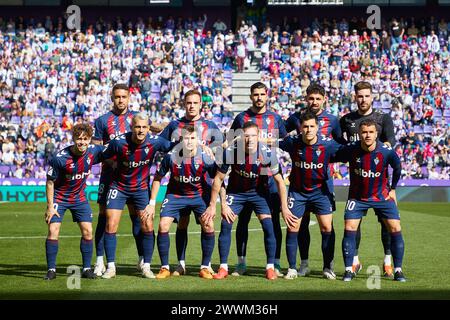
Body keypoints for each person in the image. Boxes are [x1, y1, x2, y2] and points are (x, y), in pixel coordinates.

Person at [204, 121, 291, 280]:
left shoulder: (267, 153)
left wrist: (284, 207)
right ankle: (224, 267)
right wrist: (216, 205)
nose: (250, 139)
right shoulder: (231, 152)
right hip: (237, 193)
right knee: (225, 223)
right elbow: (218, 179)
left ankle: (270, 267)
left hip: (259, 193)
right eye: (246, 136)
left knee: (268, 225)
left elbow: (280, 182)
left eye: (253, 136)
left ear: (258, 137)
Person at [100, 113, 175, 279]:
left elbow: (177, 145)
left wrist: (201, 145)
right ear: (131, 127)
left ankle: (146, 266)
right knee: (111, 224)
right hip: (118, 187)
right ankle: (111, 267)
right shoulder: (119, 142)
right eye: (137, 127)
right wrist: (111, 163)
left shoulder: (155, 142)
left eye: (144, 127)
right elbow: (101, 154)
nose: (141, 130)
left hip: (141, 189)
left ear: (149, 128)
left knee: (147, 226)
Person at [158, 89, 223, 277]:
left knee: (207, 224)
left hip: (200, 188)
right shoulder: (174, 125)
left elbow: (221, 146)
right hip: (177, 186)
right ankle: (180, 264)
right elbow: (162, 144)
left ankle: (206, 265)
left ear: (201, 104)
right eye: (189, 103)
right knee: (182, 224)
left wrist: (208, 149)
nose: (192, 106)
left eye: (195, 103)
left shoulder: (210, 125)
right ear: (184, 104)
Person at [333, 119, 406, 282]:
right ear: (359, 133)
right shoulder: (351, 149)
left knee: (395, 227)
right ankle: (348, 269)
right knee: (349, 226)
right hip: (358, 198)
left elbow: (398, 167)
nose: (367, 135)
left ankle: (398, 270)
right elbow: (332, 156)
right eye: (364, 132)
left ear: (376, 133)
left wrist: (393, 189)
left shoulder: (386, 151)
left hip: (382, 196)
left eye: (370, 132)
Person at [228, 82, 287, 277]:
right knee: (242, 221)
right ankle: (241, 263)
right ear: (251, 96)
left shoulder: (275, 118)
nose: (259, 97)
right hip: (244, 178)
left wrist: (264, 141)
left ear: (267, 95)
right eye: (256, 94)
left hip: (268, 176)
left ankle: (275, 264)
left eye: (262, 94)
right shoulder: (241, 118)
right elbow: (230, 142)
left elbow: (286, 142)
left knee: (272, 222)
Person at [284, 83, 343, 277]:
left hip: (323, 182)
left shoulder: (333, 121)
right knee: (299, 224)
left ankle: (328, 266)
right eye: (311, 98)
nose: (314, 102)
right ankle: (303, 263)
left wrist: (332, 164)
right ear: (306, 99)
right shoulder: (295, 118)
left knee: (327, 226)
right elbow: (279, 136)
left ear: (324, 99)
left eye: (318, 98)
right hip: (300, 182)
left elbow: (340, 146)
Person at [339, 81, 396, 277]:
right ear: (355, 97)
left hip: (380, 183)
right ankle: (354, 260)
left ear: (372, 97)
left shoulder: (383, 118)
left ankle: (388, 259)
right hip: (357, 183)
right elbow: (340, 145)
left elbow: (390, 144)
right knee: (354, 224)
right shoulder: (346, 120)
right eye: (359, 96)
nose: (363, 99)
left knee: (387, 223)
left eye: (366, 95)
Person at [149, 125, 217, 279]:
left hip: (198, 196)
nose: (189, 142)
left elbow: (218, 179)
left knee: (208, 225)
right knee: (163, 225)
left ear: (198, 140)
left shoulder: (205, 158)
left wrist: (215, 204)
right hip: (176, 195)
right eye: (186, 138)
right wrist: (152, 203)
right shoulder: (170, 157)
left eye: (192, 138)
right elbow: (158, 179)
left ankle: (205, 267)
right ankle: (165, 267)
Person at [91, 83, 143, 277]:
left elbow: (148, 136)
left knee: (136, 216)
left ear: (129, 98)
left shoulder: (136, 118)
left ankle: (142, 259)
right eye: (117, 97)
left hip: (133, 176)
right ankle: (99, 261)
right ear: (112, 98)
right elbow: (96, 149)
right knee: (104, 217)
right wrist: (110, 161)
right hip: (110, 175)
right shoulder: (102, 121)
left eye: (124, 97)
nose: (121, 100)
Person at [44, 123, 104, 280]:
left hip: (79, 198)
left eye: (85, 139)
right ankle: (51, 270)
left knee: (88, 231)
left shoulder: (93, 151)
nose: (82, 142)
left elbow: (114, 149)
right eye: (79, 139)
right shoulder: (60, 158)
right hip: (60, 198)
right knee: (53, 231)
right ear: (73, 139)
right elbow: (50, 182)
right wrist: (50, 207)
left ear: (90, 139)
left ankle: (86, 268)